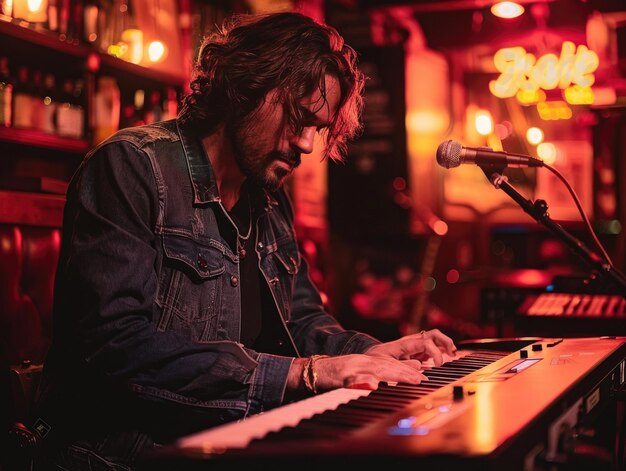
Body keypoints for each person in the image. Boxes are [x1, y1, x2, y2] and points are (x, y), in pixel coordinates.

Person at [30, 11, 457, 470]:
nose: (308, 144)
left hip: (229, 443)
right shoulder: (132, 166)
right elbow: (114, 345)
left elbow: (302, 319)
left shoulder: (271, 200)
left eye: (319, 128)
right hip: (123, 457)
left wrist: (366, 352)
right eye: (300, 118)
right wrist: (305, 373)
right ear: (246, 85)